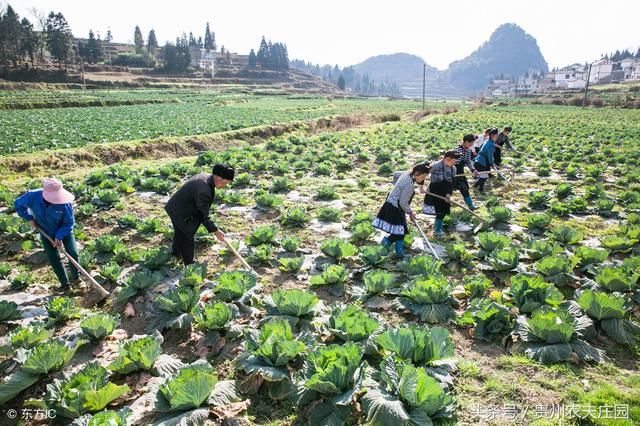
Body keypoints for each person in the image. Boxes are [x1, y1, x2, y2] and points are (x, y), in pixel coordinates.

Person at [14, 178, 79, 290]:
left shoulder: (65, 203)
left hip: (64, 229)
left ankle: (77, 279)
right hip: (45, 229)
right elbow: (18, 204)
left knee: (72, 252)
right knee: (53, 256)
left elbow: (69, 223)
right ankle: (65, 284)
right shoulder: (32, 196)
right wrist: (29, 218)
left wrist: (59, 237)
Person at [165, 163, 234, 265]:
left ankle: (175, 254)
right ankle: (189, 264)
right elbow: (204, 214)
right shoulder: (204, 190)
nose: (225, 185)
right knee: (187, 235)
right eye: (224, 183)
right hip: (179, 210)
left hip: (178, 207)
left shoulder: (206, 178)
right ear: (217, 177)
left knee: (180, 232)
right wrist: (215, 230)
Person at [372, 162, 431, 259]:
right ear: (416, 174)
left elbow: (395, 174)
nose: (423, 180)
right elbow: (403, 203)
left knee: (400, 231)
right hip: (395, 207)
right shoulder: (409, 185)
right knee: (400, 231)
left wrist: (397, 187)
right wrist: (410, 212)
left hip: (390, 203)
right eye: (423, 177)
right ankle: (390, 249)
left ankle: (391, 248)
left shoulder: (406, 173)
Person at [421, 151, 459, 237]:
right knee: (437, 211)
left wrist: (448, 194)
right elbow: (423, 174)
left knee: (443, 211)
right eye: (453, 161)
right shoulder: (435, 166)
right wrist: (421, 187)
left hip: (445, 192)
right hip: (434, 191)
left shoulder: (453, 169)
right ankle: (437, 229)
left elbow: (451, 183)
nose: (454, 163)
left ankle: (437, 228)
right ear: (447, 159)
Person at [454, 134, 480, 210]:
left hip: (460, 172)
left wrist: (473, 169)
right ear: (465, 141)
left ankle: (471, 205)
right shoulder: (456, 150)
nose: (471, 145)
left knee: (464, 188)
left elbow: (468, 162)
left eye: (472, 144)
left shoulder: (468, 150)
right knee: (446, 189)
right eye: (471, 143)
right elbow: (452, 163)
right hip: (452, 172)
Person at [473, 128, 499, 193]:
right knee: (484, 177)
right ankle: (475, 186)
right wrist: (492, 164)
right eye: (496, 136)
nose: (497, 137)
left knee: (484, 176)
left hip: (482, 161)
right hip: (481, 162)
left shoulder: (487, 141)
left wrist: (492, 163)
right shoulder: (489, 144)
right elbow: (490, 156)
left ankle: (481, 190)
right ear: (492, 135)